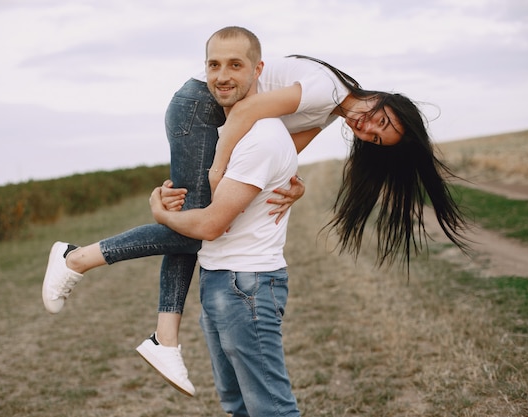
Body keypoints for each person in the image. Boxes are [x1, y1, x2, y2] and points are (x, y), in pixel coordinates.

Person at [42, 27, 469, 396]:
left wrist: (292, 187)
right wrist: (218, 171)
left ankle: (165, 337)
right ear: (389, 100)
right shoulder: (328, 90)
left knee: (199, 226)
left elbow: (286, 150)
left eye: (376, 139)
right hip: (201, 108)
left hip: (209, 113)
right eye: (382, 122)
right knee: (200, 226)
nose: (368, 130)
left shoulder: (330, 105)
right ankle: (78, 259)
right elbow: (245, 110)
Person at [149, 26, 300, 416]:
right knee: (238, 407)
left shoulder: (261, 137)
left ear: (257, 70)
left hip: (245, 286)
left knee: (270, 410)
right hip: (220, 279)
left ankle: (76, 259)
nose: (222, 76)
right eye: (214, 65)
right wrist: (173, 198)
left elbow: (211, 224)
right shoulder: (230, 135)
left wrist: (162, 214)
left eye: (235, 65)